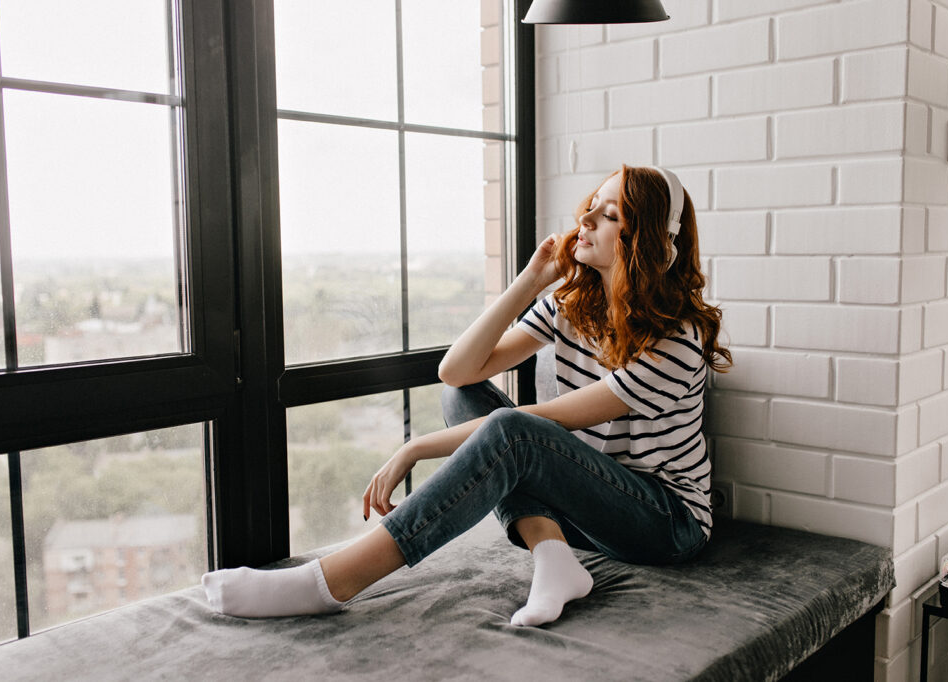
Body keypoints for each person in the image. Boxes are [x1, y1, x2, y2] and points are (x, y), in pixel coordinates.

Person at [202, 165, 731, 627]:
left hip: (665, 522)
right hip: (589, 508)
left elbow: (544, 421)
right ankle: (554, 556)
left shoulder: (676, 339)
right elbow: (457, 370)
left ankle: (328, 582)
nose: (585, 221)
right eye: (590, 208)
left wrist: (416, 448)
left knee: (513, 431)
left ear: (648, 239)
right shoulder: (572, 307)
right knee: (464, 398)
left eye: (610, 215)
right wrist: (531, 279)